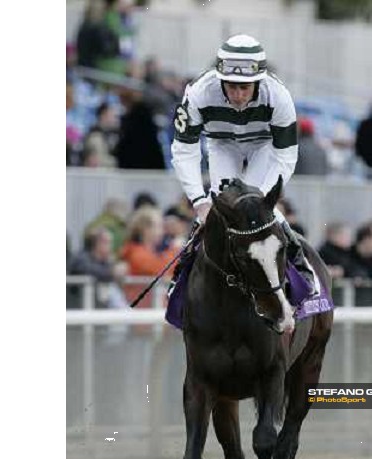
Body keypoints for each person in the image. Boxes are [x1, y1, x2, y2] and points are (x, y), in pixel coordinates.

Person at [169, 34, 315, 294]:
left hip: (264, 146)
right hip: (221, 145)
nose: (237, 94)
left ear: (258, 81)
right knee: (216, 212)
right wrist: (199, 201)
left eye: (244, 87)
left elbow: (285, 156)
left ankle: (303, 267)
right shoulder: (198, 92)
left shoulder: (279, 96)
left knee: (260, 213)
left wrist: (264, 200)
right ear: (220, 78)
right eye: (231, 85)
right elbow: (183, 150)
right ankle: (181, 278)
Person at [119, 207, 178, 307]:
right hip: (142, 315)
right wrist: (177, 250)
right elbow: (161, 269)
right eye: (158, 226)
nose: (163, 231)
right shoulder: (135, 253)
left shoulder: (146, 252)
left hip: (149, 311)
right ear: (145, 229)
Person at [69, 226, 129, 308]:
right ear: (96, 243)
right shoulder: (80, 258)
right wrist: (112, 272)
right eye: (107, 242)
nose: (110, 246)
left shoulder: (105, 262)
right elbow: (89, 269)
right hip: (77, 310)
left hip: (96, 309)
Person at [83, 102, 119, 168]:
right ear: (103, 115)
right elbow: (93, 160)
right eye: (112, 115)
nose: (115, 119)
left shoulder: (116, 133)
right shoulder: (94, 135)